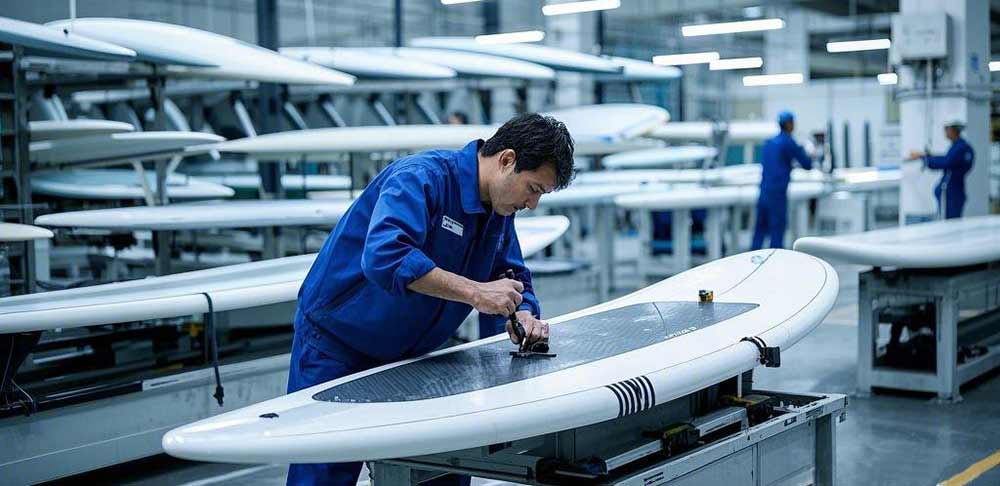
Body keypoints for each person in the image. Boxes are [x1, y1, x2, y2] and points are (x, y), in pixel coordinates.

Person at [287, 113, 575, 486]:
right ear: (506, 160)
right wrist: (474, 292)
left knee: (445, 466)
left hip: (414, 355)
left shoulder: (498, 209)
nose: (533, 203)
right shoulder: (421, 178)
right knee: (324, 470)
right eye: (533, 188)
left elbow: (510, 275)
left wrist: (524, 314)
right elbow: (386, 256)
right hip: (338, 346)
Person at [751, 110, 814, 250]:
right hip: (777, 193)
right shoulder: (788, 142)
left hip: (763, 191)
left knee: (760, 228)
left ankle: (751, 261)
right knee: (777, 228)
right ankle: (775, 264)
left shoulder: (769, 143)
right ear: (789, 124)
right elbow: (807, 164)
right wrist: (810, 154)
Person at [908, 120, 974, 219]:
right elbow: (947, 159)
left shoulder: (960, 148)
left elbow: (946, 162)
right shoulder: (962, 147)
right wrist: (926, 156)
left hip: (951, 192)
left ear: (953, 130)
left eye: (946, 129)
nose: (945, 132)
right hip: (955, 190)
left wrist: (925, 158)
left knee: (949, 222)